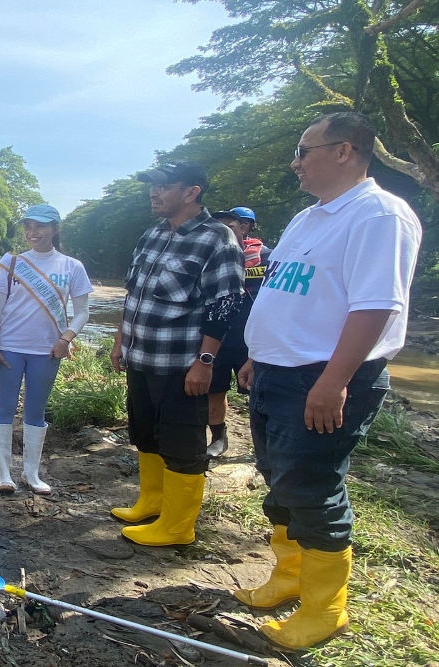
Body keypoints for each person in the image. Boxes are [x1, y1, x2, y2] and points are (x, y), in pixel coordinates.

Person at [234, 112, 421, 650]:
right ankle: (289, 576)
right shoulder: (308, 218)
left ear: (344, 151)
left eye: (304, 150)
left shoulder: (379, 215)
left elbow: (377, 305)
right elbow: (288, 292)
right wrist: (258, 355)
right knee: (279, 478)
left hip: (324, 378)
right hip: (276, 372)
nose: (296, 162)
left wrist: (334, 380)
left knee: (313, 487)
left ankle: (325, 608)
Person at [108, 161, 244, 547]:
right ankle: (151, 503)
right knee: (146, 434)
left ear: (191, 192)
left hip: (182, 365)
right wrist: (120, 340)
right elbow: (134, 294)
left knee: (183, 444)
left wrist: (205, 362)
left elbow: (225, 305)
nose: (154, 192)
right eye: (152, 185)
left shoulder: (217, 239)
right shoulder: (151, 234)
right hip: (141, 358)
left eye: (163, 185)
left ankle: (178, 527)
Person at [0, 204, 93, 494]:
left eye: (41, 226)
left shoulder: (72, 266)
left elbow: (83, 312)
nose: (34, 232)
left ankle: (31, 475)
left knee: (36, 411)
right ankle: (2, 475)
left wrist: (66, 339)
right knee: (4, 407)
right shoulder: (10, 262)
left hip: (47, 351)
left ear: (55, 228)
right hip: (9, 347)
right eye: (29, 226)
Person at [206, 207, 272, 457]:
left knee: (259, 393)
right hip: (218, 339)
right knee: (214, 390)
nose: (222, 233)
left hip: (254, 341)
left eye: (230, 227)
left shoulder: (268, 258)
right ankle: (218, 438)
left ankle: (263, 446)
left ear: (244, 228)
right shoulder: (209, 258)